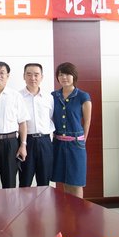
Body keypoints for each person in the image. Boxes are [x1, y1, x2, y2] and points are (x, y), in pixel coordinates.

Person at [0, 61, 29, 189]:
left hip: (11, 144)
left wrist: (23, 145)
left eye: (2, 73)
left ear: (8, 75)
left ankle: (9, 203)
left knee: (9, 183)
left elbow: (22, 123)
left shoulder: (16, 96)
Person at [51, 62, 92, 198]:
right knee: (64, 180)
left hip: (76, 144)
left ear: (74, 76)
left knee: (76, 182)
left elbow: (87, 122)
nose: (64, 77)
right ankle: (66, 210)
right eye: (61, 75)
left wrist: (82, 141)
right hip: (58, 143)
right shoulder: (53, 96)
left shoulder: (83, 96)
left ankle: (78, 210)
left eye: (67, 74)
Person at [19, 63, 55, 187]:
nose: (32, 78)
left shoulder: (49, 98)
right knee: (25, 181)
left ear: (42, 77)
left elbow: (51, 117)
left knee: (44, 182)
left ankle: (44, 201)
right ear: (24, 76)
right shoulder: (17, 97)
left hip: (45, 142)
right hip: (26, 142)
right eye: (29, 74)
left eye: (36, 75)